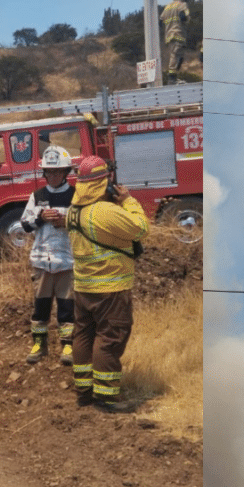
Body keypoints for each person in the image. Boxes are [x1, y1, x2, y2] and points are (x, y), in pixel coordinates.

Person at [66, 156, 149, 413]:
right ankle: (105, 398)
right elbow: (140, 229)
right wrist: (127, 201)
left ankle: (84, 392)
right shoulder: (104, 211)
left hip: (83, 287)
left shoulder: (73, 210)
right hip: (110, 289)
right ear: (104, 181)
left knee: (83, 336)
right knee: (109, 339)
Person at [20, 145, 76, 366]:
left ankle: (68, 346)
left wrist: (67, 221)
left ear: (65, 172)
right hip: (42, 261)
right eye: (49, 172)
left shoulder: (76, 196)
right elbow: (24, 225)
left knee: (66, 306)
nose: (52, 176)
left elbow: (84, 223)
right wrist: (41, 217)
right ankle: (39, 344)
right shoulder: (37, 196)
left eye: (57, 172)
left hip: (67, 261)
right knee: (41, 305)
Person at [160, 0, 191, 84]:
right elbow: (184, 17)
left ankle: (174, 77)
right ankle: (172, 79)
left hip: (169, 36)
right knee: (175, 56)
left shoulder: (167, 7)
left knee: (178, 56)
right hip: (178, 34)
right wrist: (185, 19)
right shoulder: (182, 5)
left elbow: (160, 21)